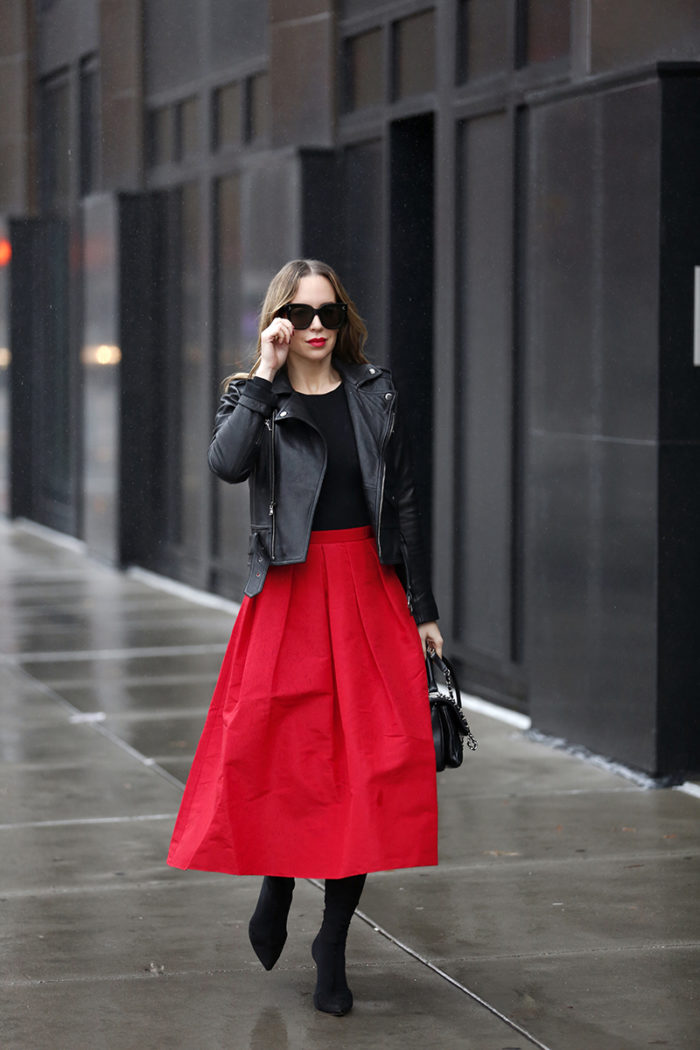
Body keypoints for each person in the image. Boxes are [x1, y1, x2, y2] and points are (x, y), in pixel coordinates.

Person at [168, 258, 443, 1016]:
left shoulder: (375, 391)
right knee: (282, 758)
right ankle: (278, 882)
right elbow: (226, 465)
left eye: (329, 313)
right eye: (302, 313)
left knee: (368, 771)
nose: (317, 327)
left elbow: (407, 501)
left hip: (368, 589)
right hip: (288, 589)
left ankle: (333, 942)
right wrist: (264, 369)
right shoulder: (255, 395)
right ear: (279, 318)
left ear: (343, 318)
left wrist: (424, 610)